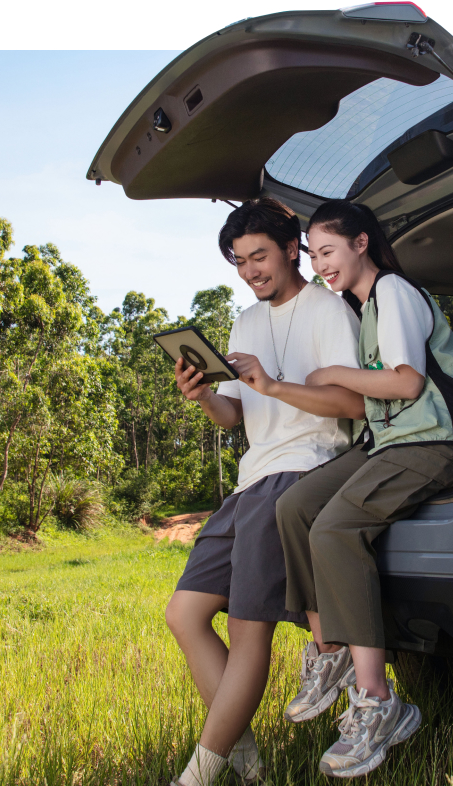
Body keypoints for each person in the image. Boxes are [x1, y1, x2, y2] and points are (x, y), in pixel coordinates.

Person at [275, 199, 453, 778]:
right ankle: (330, 652)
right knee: (294, 507)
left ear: (361, 243)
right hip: (391, 445)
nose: (320, 265)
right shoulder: (362, 307)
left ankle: (377, 701)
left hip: (442, 441)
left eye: (328, 251)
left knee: (336, 528)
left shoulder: (393, 290)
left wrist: (332, 374)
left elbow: (407, 382)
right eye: (313, 256)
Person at [165, 198, 366, 786]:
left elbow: (353, 403)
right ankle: (246, 758)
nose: (250, 270)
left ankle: (199, 775)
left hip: (301, 471)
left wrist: (274, 383)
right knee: (184, 614)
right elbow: (236, 415)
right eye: (239, 260)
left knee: (248, 629)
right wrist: (204, 395)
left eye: (259, 256)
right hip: (251, 478)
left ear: (290, 249)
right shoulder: (245, 321)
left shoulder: (329, 310)